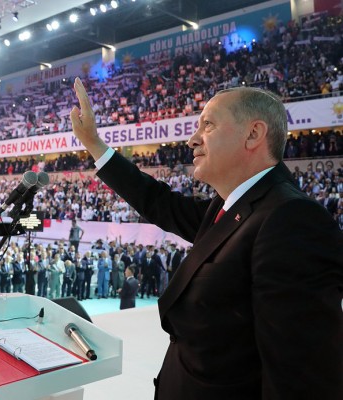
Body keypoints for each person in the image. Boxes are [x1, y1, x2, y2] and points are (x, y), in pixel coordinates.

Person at [70, 77, 342, 399]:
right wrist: (95, 145)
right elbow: (159, 202)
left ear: (253, 134)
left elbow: (301, 377)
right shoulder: (229, 206)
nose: (192, 140)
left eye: (208, 125)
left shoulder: (292, 219)